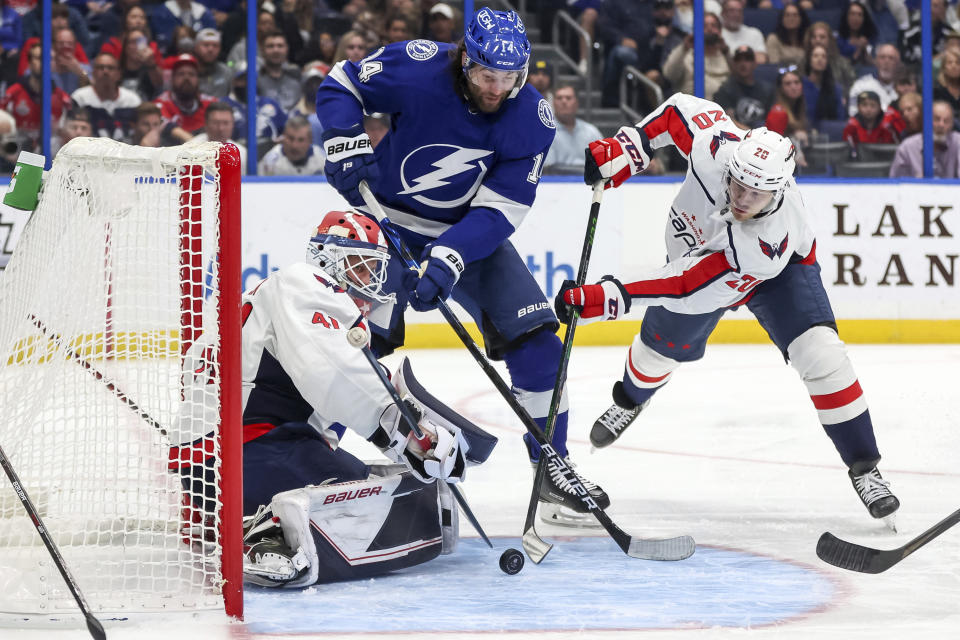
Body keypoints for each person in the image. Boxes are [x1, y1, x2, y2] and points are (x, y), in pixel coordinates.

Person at [316, 7, 607, 527]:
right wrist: (344, 138)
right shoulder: (418, 66)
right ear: (464, 60)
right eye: (485, 75)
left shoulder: (530, 119)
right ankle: (309, 454)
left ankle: (552, 468)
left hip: (469, 238)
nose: (497, 89)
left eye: (509, 77)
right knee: (354, 344)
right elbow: (342, 83)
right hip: (387, 226)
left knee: (540, 343)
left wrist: (449, 255)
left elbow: (501, 210)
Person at [556, 92, 901, 528]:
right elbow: (676, 110)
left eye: (756, 193)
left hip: (774, 271)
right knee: (655, 353)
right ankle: (632, 400)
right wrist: (631, 148)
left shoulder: (769, 237)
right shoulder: (715, 147)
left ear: (777, 191)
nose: (742, 197)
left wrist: (610, 295)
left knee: (824, 355)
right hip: (699, 257)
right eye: (738, 184)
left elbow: (687, 282)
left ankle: (865, 467)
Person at [194, 210, 490, 586]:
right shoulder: (306, 283)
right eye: (359, 266)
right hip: (242, 454)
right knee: (368, 496)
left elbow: (338, 379)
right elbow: (332, 373)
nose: (367, 279)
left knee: (373, 482)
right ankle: (263, 534)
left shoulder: (277, 295)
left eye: (372, 269)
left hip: (216, 461)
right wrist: (409, 435)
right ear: (326, 258)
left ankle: (224, 512)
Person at [70, 52, 142, 143]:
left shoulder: (132, 100)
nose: (105, 71)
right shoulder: (80, 98)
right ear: (93, 72)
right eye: (100, 67)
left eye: (110, 68)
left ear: (119, 74)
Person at [663, 11, 730, 98]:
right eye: (704, 26)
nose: (709, 29)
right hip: (691, 108)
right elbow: (669, 75)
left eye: (714, 26)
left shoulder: (726, 55)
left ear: (720, 31)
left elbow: (740, 81)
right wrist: (684, 48)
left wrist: (726, 52)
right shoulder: (686, 55)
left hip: (723, 108)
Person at [889, 100, 960, 178]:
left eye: (946, 121)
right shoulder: (907, 147)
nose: (941, 125)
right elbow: (896, 184)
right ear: (927, 120)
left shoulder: (957, 142)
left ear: (952, 124)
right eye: (936, 119)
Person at [712, 45, 774, 129]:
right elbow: (727, 121)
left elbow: (773, 119)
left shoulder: (767, 90)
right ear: (734, 64)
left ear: (755, 64)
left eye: (747, 59)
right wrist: (751, 133)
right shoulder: (725, 91)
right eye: (738, 60)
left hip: (764, 136)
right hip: (737, 138)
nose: (743, 64)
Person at [544, 84, 602, 171]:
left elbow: (604, 164)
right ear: (553, 103)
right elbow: (547, 169)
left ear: (577, 103)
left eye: (568, 98)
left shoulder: (591, 131)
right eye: (559, 98)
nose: (564, 101)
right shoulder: (545, 133)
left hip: (589, 182)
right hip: (556, 182)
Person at [153, 53, 214, 134]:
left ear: (198, 80)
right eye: (181, 74)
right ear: (172, 79)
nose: (186, 78)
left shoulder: (210, 104)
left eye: (191, 74)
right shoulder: (161, 103)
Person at [191, 101, 248, 172]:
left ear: (233, 124)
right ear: (206, 124)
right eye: (215, 123)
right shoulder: (191, 150)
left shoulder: (242, 153)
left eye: (226, 123)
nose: (221, 128)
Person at [258, 115, 324, 175]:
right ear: (283, 137)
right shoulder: (270, 162)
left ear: (310, 140)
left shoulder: (323, 160)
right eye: (290, 138)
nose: (294, 145)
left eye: (301, 140)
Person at [847, 44, 900, 117]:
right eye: (882, 57)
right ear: (876, 61)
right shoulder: (861, 86)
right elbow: (853, 113)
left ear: (897, 63)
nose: (886, 61)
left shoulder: (904, 88)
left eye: (891, 58)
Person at [801, 44, 844, 128]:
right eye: (815, 56)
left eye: (823, 56)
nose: (820, 59)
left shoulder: (836, 89)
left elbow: (840, 118)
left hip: (830, 131)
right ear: (809, 60)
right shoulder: (800, 85)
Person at [258, 30, 302, 113]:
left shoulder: (296, 81)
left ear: (286, 49)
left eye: (280, 46)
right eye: (270, 46)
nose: (276, 50)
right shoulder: (254, 82)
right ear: (262, 51)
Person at [843, 90, 895, 158]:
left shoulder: (887, 128)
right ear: (858, 107)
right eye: (864, 105)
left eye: (873, 105)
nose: (868, 109)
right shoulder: (851, 127)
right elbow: (848, 152)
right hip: (858, 165)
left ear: (879, 107)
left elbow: (891, 152)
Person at [194, 27, 232, 99]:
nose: (210, 49)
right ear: (195, 47)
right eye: (206, 45)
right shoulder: (188, 71)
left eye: (215, 46)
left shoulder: (226, 72)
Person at [836, 0, 877, 66]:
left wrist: (865, 51)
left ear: (864, 18)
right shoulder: (838, 40)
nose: (856, 18)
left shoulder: (870, 39)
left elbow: (874, 64)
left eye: (860, 15)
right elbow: (842, 66)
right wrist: (859, 49)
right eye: (852, 14)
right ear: (846, 16)